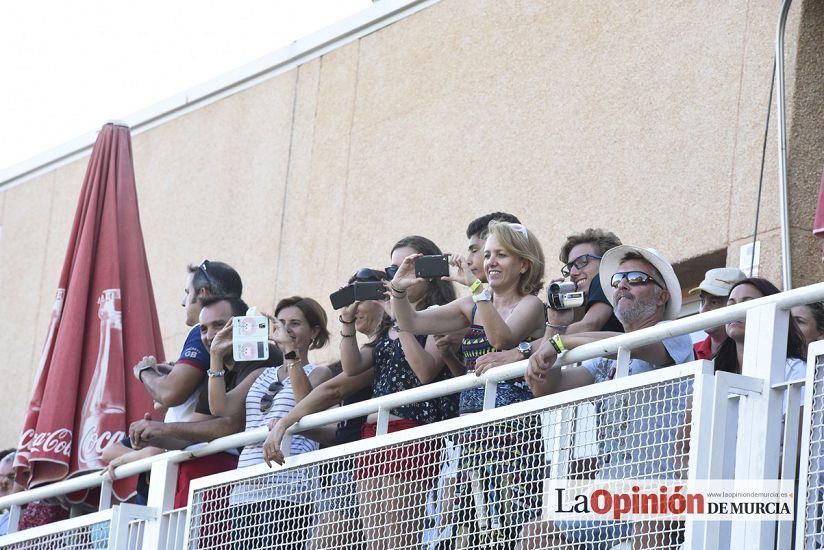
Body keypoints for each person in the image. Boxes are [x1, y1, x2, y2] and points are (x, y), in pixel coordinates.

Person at [524, 245, 694, 549]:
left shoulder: (675, 331)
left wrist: (561, 341)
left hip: (662, 488)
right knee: (538, 533)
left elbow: (633, 345)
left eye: (636, 278)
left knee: (650, 518)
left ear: (662, 296)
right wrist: (556, 328)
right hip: (610, 494)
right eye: (617, 281)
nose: (622, 285)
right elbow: (549, 387)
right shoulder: (605, 356)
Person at [390, 222, 546, 546]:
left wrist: (478, 291)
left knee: (509, 526)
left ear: (524, 264)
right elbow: (410, 322)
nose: (489, 262)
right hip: (472, 435)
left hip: (512, 435)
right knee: (470, 531)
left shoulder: (530, 304)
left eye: (501, 255)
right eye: (487, 254)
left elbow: (501, 337)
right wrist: (399, 291)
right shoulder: (470, 305)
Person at [339, 236, 458, 549]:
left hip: (410, 429)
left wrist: (398, 316)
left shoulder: (438, 312)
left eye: (408, 266)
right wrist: (348, 323)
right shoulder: (387, 326)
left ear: (430, 272)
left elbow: (425, 372)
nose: (398, 273)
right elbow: (351, 368)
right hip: (372, 430)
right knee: (375, 539)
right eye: (393, 267)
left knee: (397, 539)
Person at [128, 295, 276, 508]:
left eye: (219, 325)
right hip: (250, 485)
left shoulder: (261, 354)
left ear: (243, 325)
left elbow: (230, 425)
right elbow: (195, 433)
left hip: (274, 480)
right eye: (204, 329)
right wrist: (151, 437)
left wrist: (164, 430)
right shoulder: (216, 372)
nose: (210, 335)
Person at [208, 296, 332, 549]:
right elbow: (219, 407)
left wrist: (289, 352)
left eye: (295, 323)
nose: (286, 329)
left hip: (290, 489)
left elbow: (304, 403)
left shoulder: (319, 373)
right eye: (282, 322)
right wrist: (216, 355)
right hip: (246, 488)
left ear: (314, 332)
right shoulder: (261, 374)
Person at [473, 227, 622, 370]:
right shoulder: (594, 300)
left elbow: (588, 325)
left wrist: (518, 352)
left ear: (607, 262)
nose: (574, 273)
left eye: (583, 262)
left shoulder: (604, 277)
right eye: (570, 267)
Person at [134, 260, 243, 409]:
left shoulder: (203, 333)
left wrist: (144, 371)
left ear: (202, 293)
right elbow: (163, 402)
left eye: (187, 292)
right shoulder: (233, 332)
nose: (183, 302)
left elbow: (170, 393)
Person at [713, 278, 807, 380]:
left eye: (748, 304)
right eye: (731, 305)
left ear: (773, 314)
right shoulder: (713, 370)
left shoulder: (795, 370)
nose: (736, 311)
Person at [689, 267, 746, 360]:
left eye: (714, 302)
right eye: (702, 301)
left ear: (735, 305)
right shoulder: (692, 352)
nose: (703, 310)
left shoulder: (750, 351)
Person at [0, 450, 17, 536]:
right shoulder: (1, 519)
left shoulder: (34, 516)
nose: (3, 482)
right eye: (0, 477)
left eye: (11, 477)